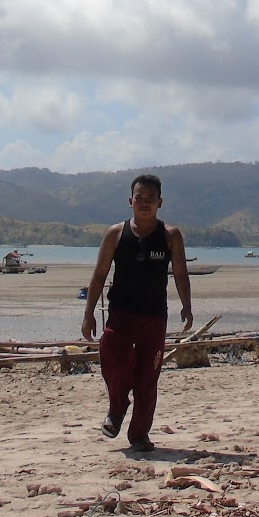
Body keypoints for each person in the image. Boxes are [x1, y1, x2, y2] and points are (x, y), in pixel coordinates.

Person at [81, 173, 193, 452]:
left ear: (160, 203)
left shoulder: (170, 235)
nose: (145, 204)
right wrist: (89, 313)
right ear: (130, 201)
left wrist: (187, 306)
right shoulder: (116, 234)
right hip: (121, 314)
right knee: (112, 358)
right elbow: (99, 274)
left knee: (148, 376)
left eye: (150, 199)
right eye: (139, 199)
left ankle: (140, 434)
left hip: (154, 316)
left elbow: (180, 272)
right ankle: (117, 407)